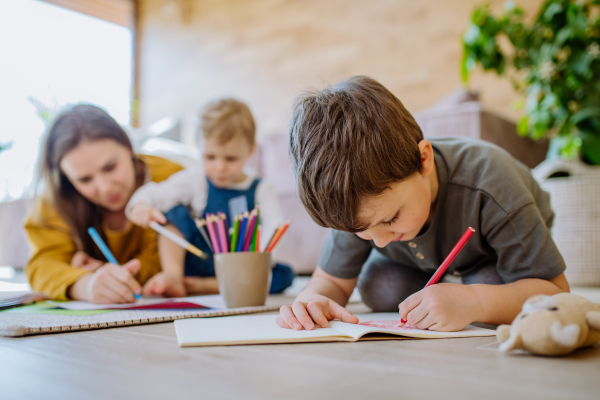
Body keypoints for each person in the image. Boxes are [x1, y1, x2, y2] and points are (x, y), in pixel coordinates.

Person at [277, 76, 570, 332]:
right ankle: (450, 291)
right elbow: (331, 282)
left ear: (424, 160)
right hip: (420, 263)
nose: (378, 242)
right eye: (362, 231)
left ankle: (465, 289)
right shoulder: (355, 203)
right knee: (381, 286)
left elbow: (555, 293)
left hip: (490, 256)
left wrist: (475, 302)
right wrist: (312, 300)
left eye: (390, 220)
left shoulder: (492, 183)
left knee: (490, 284)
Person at [126, 98, 294, 297]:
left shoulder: (260, 188)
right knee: (174, 212)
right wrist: (140, 205)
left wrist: (262, 259)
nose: (220, 167)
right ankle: (173, 276)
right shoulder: (195, 180)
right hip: (200, 260)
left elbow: (275, 225)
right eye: (210, 157)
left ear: (250, 150)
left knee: (284, 276)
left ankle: (208, 286)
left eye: (230, 159)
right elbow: (155, 193)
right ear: (199, 148)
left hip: (240, 268)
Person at [25, 104, 183, 303]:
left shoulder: (173, 180)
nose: (106, 187)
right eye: (84, 180)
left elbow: (169, 259)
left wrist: (106, 274)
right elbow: (43, 265)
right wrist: (87, 285)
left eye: (110, 167)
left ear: (128, 147)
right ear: (66, 178)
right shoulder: (56, 198)